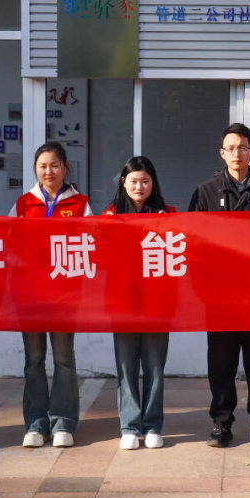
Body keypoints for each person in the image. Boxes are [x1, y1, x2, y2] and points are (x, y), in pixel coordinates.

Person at [189, 123, 250, 448]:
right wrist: (202, 289)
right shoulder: (205, 193)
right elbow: (193, 243)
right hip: (220, 298)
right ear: (222, 153)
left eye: (242, 147)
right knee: (221, 364)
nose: (236, 153)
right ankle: (221, 423)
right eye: (230, 148)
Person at [13, 141, 93, 449]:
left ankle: (63, 422)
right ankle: (35, 423)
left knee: (63, 359)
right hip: (30, 296)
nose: (49, 171)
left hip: (64, 297)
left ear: (65, 168)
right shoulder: (23, 204)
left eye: (55, 165)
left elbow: (94, 242)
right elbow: (7, 243)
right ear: (35, 169)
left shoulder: (81, 204)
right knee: (33, 360)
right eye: (43, 166)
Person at [104, 156, 175, 451]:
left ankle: (153, 425)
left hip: (158, 303)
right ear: (124, 183)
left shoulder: (168, 214)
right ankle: (130, 426)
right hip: (122, 302)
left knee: (155, 367)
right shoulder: (110, 215)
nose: (139, 186)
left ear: (153, 183)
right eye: (133, 181)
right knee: (127, 366)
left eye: (145, 181)